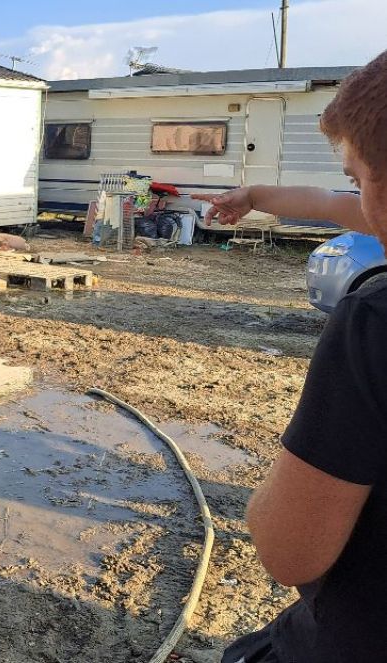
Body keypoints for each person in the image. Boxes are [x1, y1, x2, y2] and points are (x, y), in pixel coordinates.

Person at [192, 50, 387, 663]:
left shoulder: (374, 323)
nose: (353, 200)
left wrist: (264, 499)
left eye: (359, 178)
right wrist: (253, 193)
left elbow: (289, 553)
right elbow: (326, 203)